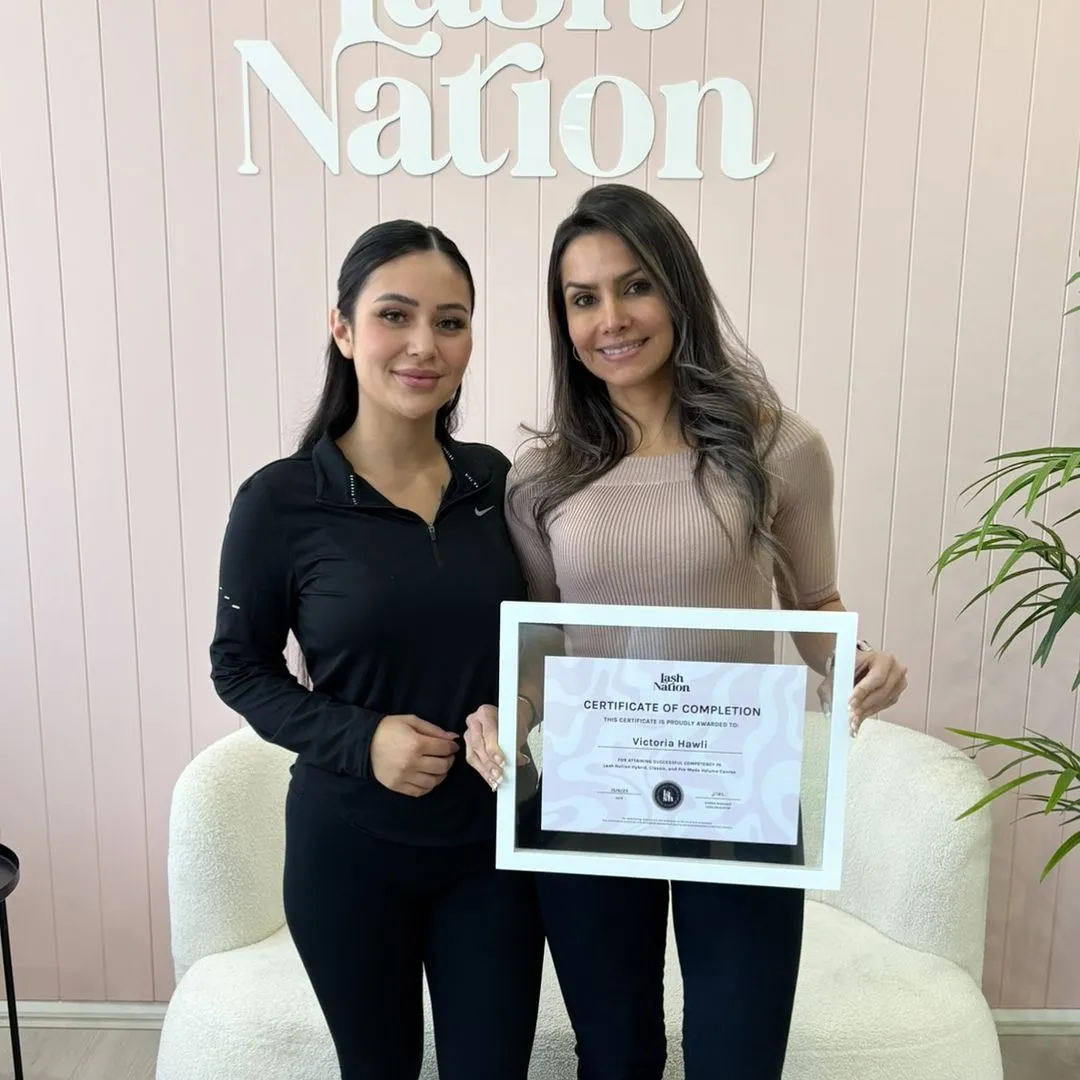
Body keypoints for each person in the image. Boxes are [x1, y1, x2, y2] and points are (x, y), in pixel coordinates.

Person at [462, 184, 909, 1080]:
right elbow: (546, 640)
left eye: (634, 287)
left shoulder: (779, 449)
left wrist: (854, 662)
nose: (610, 319)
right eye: (582, 299)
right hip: (592, 791)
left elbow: (813, 604)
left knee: (738, 1057)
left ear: (679, 292)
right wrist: (506, 708)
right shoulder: (541, 476)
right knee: (617, 1055)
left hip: (740, 786)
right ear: (564, 321)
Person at [209, 220, 544, 1080]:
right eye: (395, 316)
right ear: (344, 330)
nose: (423, 345)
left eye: (451, 321)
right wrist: (364, 740)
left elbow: (550, 635)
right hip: (348, 853)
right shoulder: (280, 501)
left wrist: (521, 707)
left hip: (491, 852)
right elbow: (239, 666)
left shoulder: (498, 484)